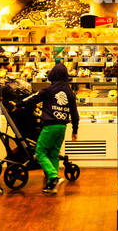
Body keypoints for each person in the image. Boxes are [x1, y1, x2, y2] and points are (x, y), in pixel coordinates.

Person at [21, 62, 80, 193]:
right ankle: (52, 185)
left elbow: (33, 99)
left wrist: (21, 105)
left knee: (40, 152)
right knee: (53, 154)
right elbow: (75, 114)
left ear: (53, 74)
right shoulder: (70, 92)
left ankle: (53, 178)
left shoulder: (49, 89)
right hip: (62, 127)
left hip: (50, 126)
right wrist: (75, 130)